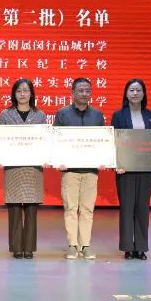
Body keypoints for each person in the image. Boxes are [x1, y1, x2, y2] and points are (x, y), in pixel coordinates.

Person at [53, 77, 105, 260]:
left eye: (87, 90)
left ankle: (86, 245)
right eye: (80, 90)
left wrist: (104, 159)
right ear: (72, 93)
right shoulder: (63, 114)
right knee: (70, 208)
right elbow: (56, 140)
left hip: (91, 170)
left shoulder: (97, 115)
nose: (84, 93)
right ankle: (73, 245)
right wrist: (58, 161)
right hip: (70, 170)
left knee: (87, 209)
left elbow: (102, 141)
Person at [0, 78, 48, 259]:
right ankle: (17, 248)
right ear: (14, 94)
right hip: (13, 167)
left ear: (31, 93)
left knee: (31, 209)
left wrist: (47, 157)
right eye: (19, 91)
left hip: (33, 168)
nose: (22, 94)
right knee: (14, 208)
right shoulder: (5, 115)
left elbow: (45, 142)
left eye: (26, 90)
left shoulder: (40, 115)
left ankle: (29, 248)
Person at [111, 78, 151, 260]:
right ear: (126, 94)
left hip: (146, 167)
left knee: (142, 208)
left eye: (138, 90)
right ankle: (127, 247)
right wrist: (118, 164)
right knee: (127, 208)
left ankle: (141, 247)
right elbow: (114, 141)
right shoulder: (118, 115)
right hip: (125, 168)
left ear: (144, 93)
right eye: (131, 90)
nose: (135, 93)